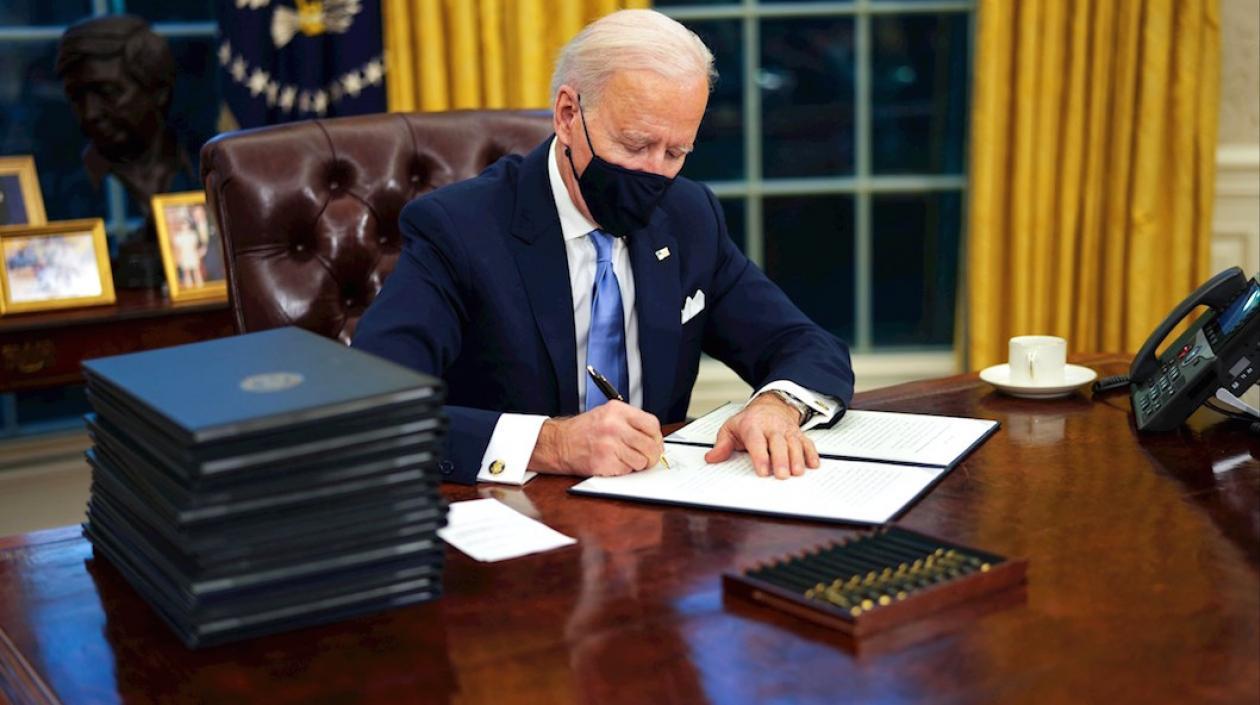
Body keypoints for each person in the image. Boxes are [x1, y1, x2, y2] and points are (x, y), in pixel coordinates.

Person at [353, 9, 854, 485]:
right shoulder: (458, 228)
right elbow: (374, 407)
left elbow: (805, 345)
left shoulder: (687, 217)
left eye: (676, 151)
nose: (656, 172)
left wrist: (776, 405)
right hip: (512, 515)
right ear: (569, 115)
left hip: (655, 515)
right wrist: (550, 443)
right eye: (635, 145)